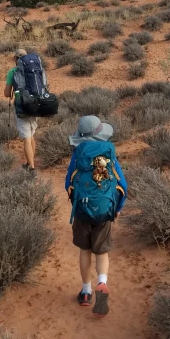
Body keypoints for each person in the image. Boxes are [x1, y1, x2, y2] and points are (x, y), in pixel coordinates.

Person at [64, 115, 127, 318]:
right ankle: (102, 282)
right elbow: (122, 185)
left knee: (85, 250)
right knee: (101, 252)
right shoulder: (109, 155)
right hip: (104, 211)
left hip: (82, 211)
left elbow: (68, 183)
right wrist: (117, 208)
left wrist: (74, 201)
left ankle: (85, 292)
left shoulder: (77, 156)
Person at [4, 48, 39, 172]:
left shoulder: (12, 72)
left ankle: (31, 167)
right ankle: (31, 162)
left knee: (26, 138)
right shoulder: (35, 69)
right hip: (35, 106)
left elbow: (7, 93)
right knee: (32, 135)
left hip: (22, 107)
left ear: (15, 59)